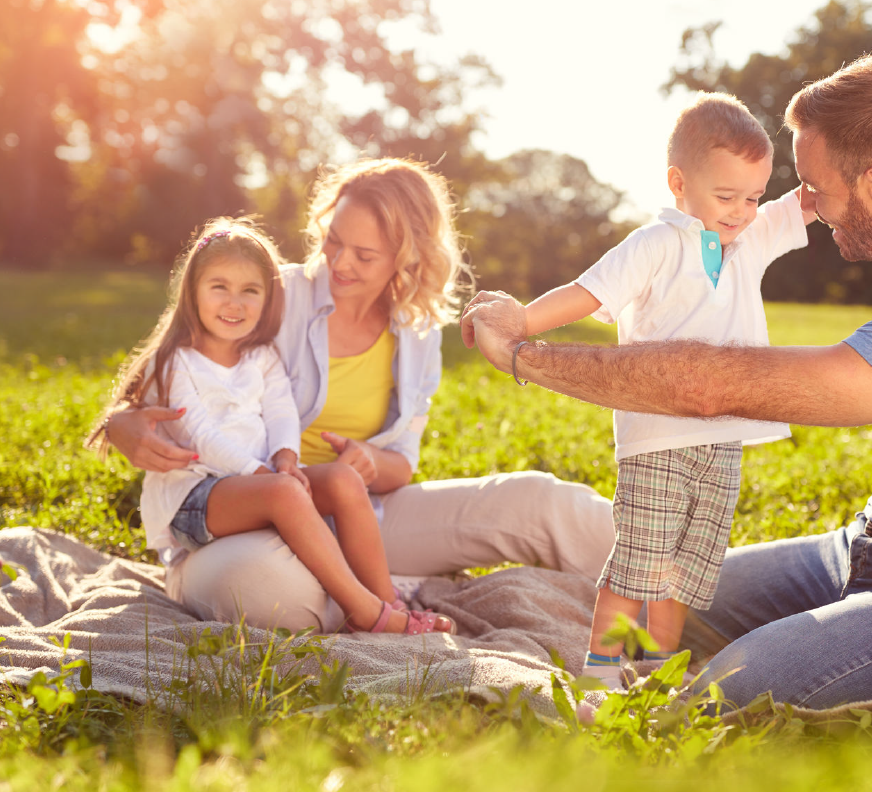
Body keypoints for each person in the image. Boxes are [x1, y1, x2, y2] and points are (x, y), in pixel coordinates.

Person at [461, 56, 872, 723]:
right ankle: (636, 682)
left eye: (815, 188)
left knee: (729, 694)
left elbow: (708, 389)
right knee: (671, 607)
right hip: (867, 546)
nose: (807, 208)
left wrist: (524, 354)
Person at [96, 158, 615, 632]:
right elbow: (169, 358)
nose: (340, 262)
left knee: (540, 502)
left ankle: (681, 590)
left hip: (357, 514)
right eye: (334, 240)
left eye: (364, 254)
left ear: (406, 258)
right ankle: (376, 604)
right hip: (240, 530)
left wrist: (370, 460)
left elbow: (401, 468)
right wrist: (120, 423)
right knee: (276, 594)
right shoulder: (272, 291)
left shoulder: (417, 334)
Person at [517, 93, 813, 687]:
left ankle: (655, 673)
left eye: (752, 197)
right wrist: (517, 325)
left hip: (724, 436)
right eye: (725, 196)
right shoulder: (655, 243)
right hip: (657, 436)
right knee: (640, 563)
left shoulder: (749, 238)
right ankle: (601, 674)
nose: (741, 212)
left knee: (685, 572)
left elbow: (806, 202)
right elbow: (588, 291)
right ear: (679, 183)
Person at [96, 217, 451, 634]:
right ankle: (367, 614)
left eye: (250, 291)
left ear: (268, 299)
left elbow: (282, 412)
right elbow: (202, 437)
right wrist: (264, 475)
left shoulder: (260, 356)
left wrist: (285, 457)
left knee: (342, 479)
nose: (235, 304)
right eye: (219, 288)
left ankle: (388, 600)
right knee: (283, 491)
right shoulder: (176, 361)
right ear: (191, 291)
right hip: (195, 495)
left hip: (260, 486)